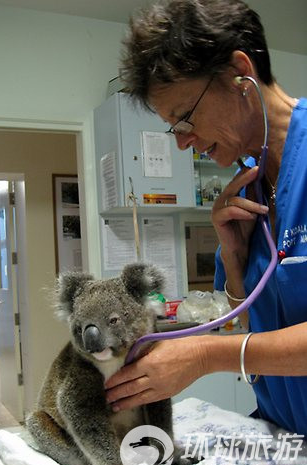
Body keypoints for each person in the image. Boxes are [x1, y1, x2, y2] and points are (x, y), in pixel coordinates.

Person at [105, 0, 307, 436]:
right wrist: (234, 259)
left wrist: (204, 355)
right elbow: (256, 323)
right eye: (174, 128)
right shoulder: (247, 191)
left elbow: (237, 345)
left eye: (185, 118)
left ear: (240, 75)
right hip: (283, 438)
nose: (182, 143)